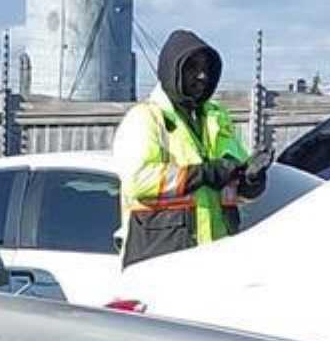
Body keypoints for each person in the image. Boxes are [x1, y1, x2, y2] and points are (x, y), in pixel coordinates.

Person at [113, 29, 273, 267]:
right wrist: (204, 173)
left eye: (206, 69)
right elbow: (138, 181)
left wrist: (250, 181)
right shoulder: (146, 118)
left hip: (215, 260)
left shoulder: (216, 119)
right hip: (160, 260)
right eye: (192, 68)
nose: (201, 76)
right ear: (172, 70)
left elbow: (230, 190)